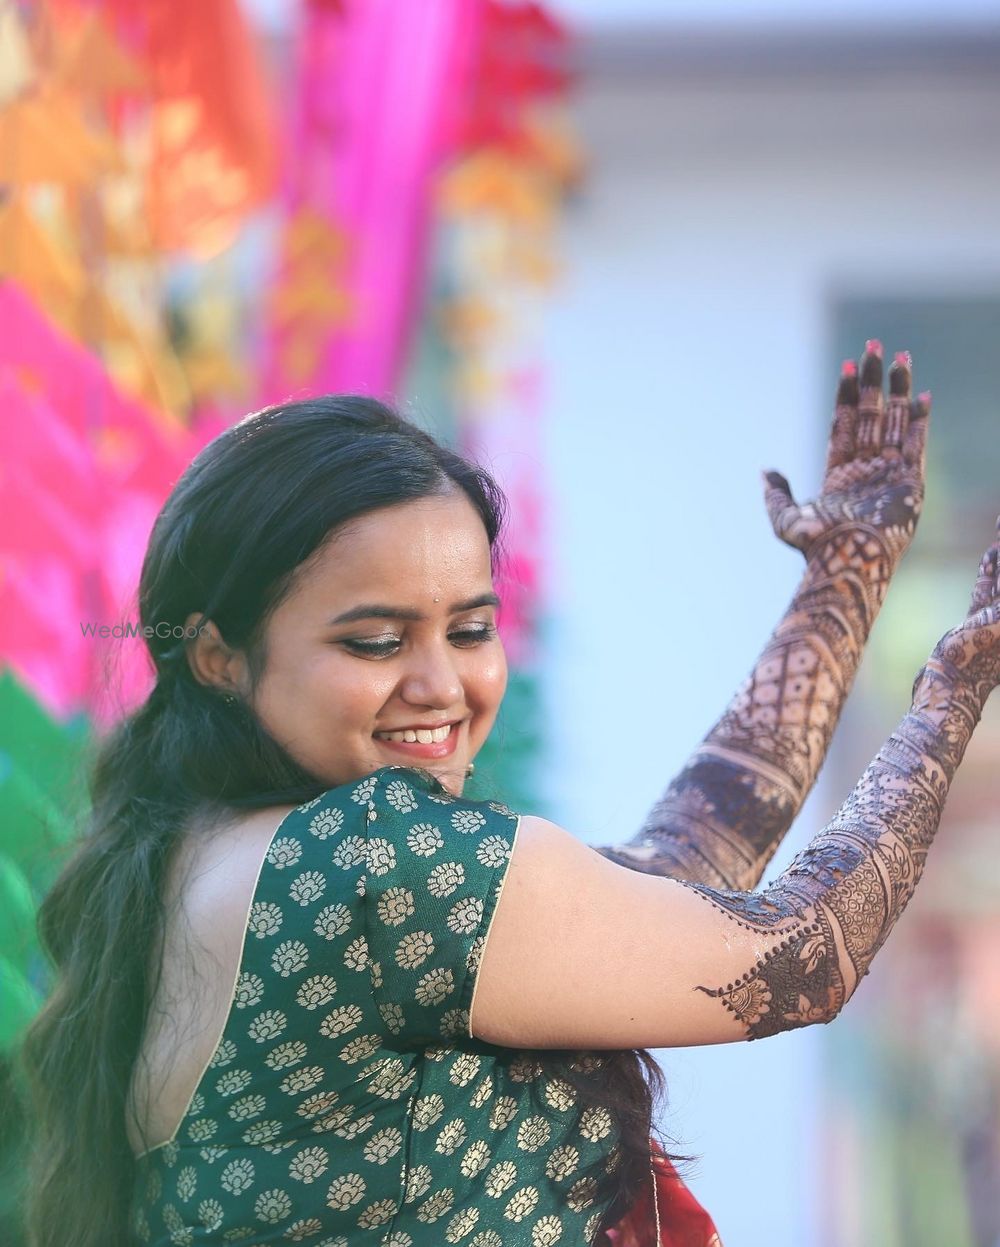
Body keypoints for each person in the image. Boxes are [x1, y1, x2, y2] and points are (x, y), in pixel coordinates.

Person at [18, 343, 1000, 1247]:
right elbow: (800, 956)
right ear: (219, 656)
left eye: (470, 627)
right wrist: (952, 694)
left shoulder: (193, 858)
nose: (441, 683)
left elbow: (675, 870)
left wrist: (842, 582)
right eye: (374, 639)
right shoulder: (367, 856)